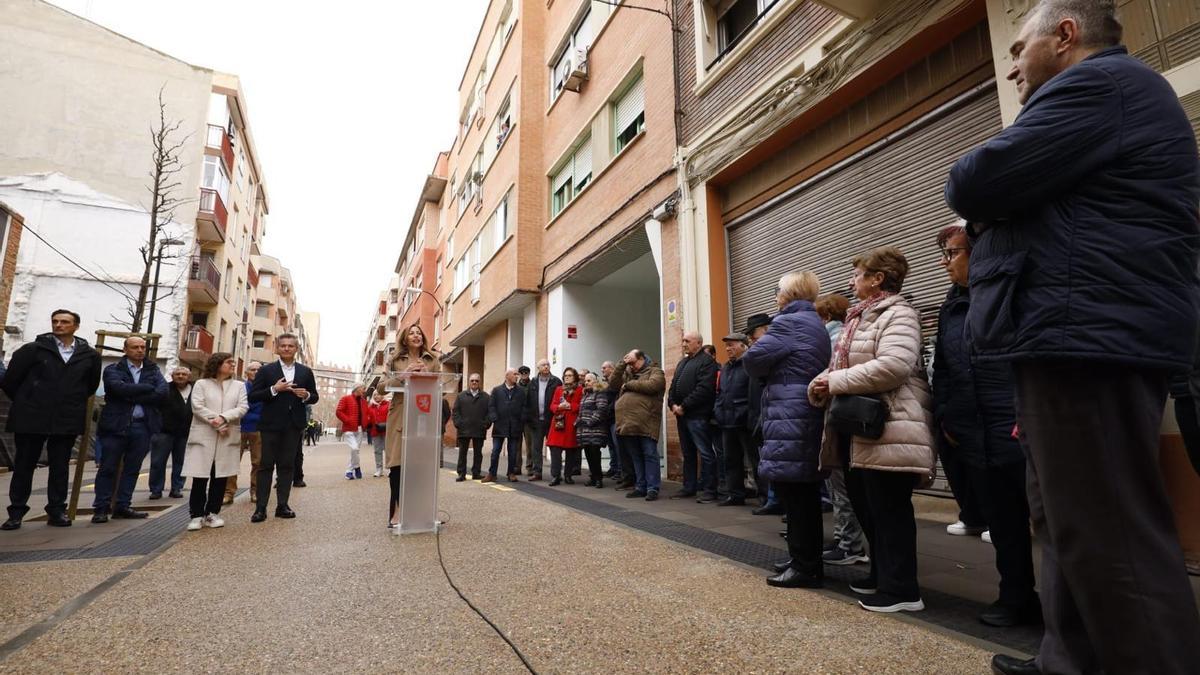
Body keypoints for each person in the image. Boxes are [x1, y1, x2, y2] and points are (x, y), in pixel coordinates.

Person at [945, 3, 1200, 672]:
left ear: (1064, 38)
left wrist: (989, 209)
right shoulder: (1106, 97)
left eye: (1019, 46)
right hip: (1072, 336)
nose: (1011, 62)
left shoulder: (1100, 86)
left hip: (1087, 340)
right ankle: (1068, 660)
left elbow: (973, 180)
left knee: (1110, 534)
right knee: (1064, 522)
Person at [809, 246, 934, 613]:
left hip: (890, 426)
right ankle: (881, 575)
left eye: (858, 274)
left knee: (890, 509)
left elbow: (893, 366)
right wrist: (820, 383)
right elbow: (839, 365)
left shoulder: (899, 314)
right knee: (869, 507)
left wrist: (833, 382)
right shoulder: (858, 318)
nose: (851, 281)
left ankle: (903, 590)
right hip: (859, 429)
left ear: (877, 278)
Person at [932, 223, 1039, 628]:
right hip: (973, 430)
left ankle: (1077, 616)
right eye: (944, 255)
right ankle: (1016, 599)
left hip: (1016, 425)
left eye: (953, 253)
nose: (946, 263)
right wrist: (947, 416)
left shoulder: (1015, 289)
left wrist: (1024, 414)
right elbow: (943, 366)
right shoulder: (951, 304)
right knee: (1004, 523)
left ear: (980, 253)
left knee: (1052, 524)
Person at [742, 273, 831, 588]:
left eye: (777, 289)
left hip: (789, 411)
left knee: (796, 495)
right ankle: (805, 559)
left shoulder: (787, 323)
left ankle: (805, 566)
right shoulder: (813, 321)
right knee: (803, 492)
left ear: (790, 292)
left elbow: (752, 360)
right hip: (804, 410)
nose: (775, 294)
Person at [2, 311, 103, 530]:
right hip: (31, 417)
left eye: (65, 322)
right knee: (24, 465)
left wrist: (69, 403)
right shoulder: (32, 350)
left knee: (60, 467)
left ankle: (57, 510)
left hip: (66, 418)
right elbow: (11, 381)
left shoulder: (89, 356)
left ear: (76, 326)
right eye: (55, 321)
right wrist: (30, 401)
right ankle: (16, 511)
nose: (59, 325)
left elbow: (90, 386)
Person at [813, 295, 868, 566]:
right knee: (840, 483)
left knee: (841, 484)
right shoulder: (843, 335)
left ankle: (849, 545)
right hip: (843, 415)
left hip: (838, 416)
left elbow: (832, 374)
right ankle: (845, 540)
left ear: (823, 317)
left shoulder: (833, 339)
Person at [91, 336, 167, 523]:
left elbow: (162, 392)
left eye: (142, 347)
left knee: (132, 469)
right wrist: (146, 389)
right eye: (135, 347)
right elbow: (117, 389)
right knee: (107, 468)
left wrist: (132, 392)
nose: (140, 350)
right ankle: (101, 507)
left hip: (142, 426)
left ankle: (122, 505)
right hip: (115, 426)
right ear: (125, 349)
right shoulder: (113, 369)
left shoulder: (153, 370)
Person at [247, 333, 318, 523]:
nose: (287, 348)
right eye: (283, 346)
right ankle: (261, 508)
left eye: (291, 346)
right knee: (265, 466)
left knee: (287, 466)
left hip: (294, 425)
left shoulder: (305, 371)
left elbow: (315, 396)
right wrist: (274, 389)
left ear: (296, 349)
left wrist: (306, 396)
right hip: (270, 424)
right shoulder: (266, 370)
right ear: (277, 348)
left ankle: (282, 506)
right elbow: (253, 396)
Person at [377, 323, 441, 526]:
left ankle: (423, 512)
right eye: (412, 333)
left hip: (424, 416)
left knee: (422, 466)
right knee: (398, 465)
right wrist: (404, 375)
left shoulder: (433, 359)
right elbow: (380, 387)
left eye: (419, 333)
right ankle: (396, 513)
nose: (416, 335)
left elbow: (441, 384)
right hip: (400, 418)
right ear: (405, 338)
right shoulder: (395, 360)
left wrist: (427, 375)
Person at [181, 353, 248, 531]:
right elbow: (197, 407)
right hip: (205, 434)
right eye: (228, 362)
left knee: (220, 477)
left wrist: (223, 418)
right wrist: (216, 422)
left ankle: (212, 513)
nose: (232, 365)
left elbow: (242, 407)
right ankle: (196, 515)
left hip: (227, 435)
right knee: (200, 477)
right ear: (217, 365)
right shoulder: (201, 384)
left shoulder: (239, 386)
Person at [667, 332, 718, 502]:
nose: (683, 344)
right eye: (682, 341)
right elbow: (673, 386)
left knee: (705, 452)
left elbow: (704, 389)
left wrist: (684, 406)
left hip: (697, 415)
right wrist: (672, 404)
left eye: (687, 341)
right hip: (682, 416)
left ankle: (710, 489)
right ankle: (689, 487)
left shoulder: (707, 362)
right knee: (688, 453)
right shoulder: (683, 362)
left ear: (698, 343)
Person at [611, 349, 666, 501]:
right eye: (630, 363)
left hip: (646, 422)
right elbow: (613, 383)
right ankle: (640, 487)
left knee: (649, 455)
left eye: (633, 362)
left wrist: (630, 384)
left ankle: (652, 488)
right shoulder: (628, 371)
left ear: (642, 358)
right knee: (635, 456)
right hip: (629, 423)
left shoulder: (655, 371)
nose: (632, 366)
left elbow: (654, 386)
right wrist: (622, 363)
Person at [742, 313, 782, 517]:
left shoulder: (772, 350)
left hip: (771, 412)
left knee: (774, 459)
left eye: (753, 333)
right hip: (757, 412)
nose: (750, 338)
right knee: (764, 459)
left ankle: (775, 499)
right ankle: (769, 497)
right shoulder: (757, 352)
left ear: (766, 329)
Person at [713, 332, 756, 507]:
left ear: (743, 345)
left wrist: (749, 413)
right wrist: (718, 411)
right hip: (727, 420)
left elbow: (754, 393)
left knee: (755, 460)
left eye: (732, 345)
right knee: (731, 460)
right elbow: (720, 393)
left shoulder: (750, 365)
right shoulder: (726, 368)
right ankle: (735, 494)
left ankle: (765, 497)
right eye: (726, 346)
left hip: (745, 420)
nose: (728, 349)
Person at [150, 366, 192, 500]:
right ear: (172, 376)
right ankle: (156, 490)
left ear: (189, 377)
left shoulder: (195, 390)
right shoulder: (165, 389)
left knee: (181, 462)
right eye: (177, 374)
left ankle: (176, 488)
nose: (180, 376)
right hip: (164, 432)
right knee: (158, 462)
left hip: (185, 433)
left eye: (184, 374)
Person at [484, 368, 527, 483]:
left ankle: (511, 473)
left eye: (517, 374)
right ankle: (492, 474)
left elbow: (524, 407)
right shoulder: (497, 390)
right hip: (499, 425)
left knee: (513, 452)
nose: (517, 376)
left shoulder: (521, 391)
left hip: (515, 426)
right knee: (495, 451)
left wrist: (521, 420)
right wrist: (494, 418)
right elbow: (491, 406)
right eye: (514, 374)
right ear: (507, 376)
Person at [546, 367, 584, 486]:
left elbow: (581, 406)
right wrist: (559, 407)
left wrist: (570, 406)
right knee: (555, 451)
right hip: (558, 424)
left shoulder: (579, 390)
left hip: (571, 425)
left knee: (571, 451)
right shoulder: (558, 389)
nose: (567, 377)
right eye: (565, 375)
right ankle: (555, 476)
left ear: (575, 377)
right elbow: (552, 405)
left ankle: (568, 475)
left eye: (570, 375)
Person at [576, 372, 613, 488]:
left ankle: (598, 478)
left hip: (595, 430)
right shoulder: (585, 395)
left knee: (595, 454)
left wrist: (590, 421)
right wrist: (577, 422)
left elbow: (602, 409)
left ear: (595, 382)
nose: (586, 383)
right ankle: (593, 477)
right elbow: (581, 412)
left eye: (589, 380)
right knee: (588, 454)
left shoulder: (600, 393)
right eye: (585, 381)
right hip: (585, 431)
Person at [527, 359, 561, 482]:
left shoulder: (556, 381)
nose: (546, 367)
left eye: (548, 365)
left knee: (554, 447)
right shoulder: (533, 382)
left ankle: (555, 474)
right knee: (536, 448)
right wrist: (529, 418)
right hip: (536, 421)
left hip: (551, 420)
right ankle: (537, 472)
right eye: (543, 365)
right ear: (538, 368)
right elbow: (528, 401)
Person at [452, 373, 490, 481]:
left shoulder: (486, 397)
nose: (474, 382)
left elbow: (490, 413)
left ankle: (476, 473)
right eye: (472, 380)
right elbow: (455, 411)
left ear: (479, 382)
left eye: (476, 381)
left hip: (479, 429)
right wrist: (458, 423)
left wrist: (486, 424)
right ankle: (461, 474)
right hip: (464, 429)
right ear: (469, 382)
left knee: (478, 453)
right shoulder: (461, 396)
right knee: (462, 453)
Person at [336, 384, 371, 480]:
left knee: (355, 451)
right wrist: (347, 420)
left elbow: (367, 413)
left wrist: (367, 421)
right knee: (355, 448)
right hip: (349, 429)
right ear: (356, 388)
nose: (364, 390)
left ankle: (351, 471)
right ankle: (355, 468)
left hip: (360, 428)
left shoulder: (364, 401)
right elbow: (339, 411)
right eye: (362, 388)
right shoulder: (345, 398)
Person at [599, 360, 622, 479]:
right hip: (607, 418)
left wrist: (609, 408)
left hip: (614, 417)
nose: (602, 370)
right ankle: (613, 467)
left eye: (604, 368)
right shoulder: (604, 383)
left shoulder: (616, 383)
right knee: (611, 445)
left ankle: (620, 469)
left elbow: (616, 398)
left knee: (617, 444)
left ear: (612, 369)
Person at [517, 366, 534, 475]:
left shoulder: (534, 385)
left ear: (529, 373)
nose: (524, 374)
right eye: (522, 372)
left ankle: (530, 467)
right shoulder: (515, 386)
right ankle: (517, 467)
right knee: (516, 445)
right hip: (518, 419)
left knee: (530, 445)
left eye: (526, 372)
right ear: (519, 374)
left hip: (529, 419)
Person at [369, 392, 389, 477]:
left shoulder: (388, 404)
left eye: (378, 394)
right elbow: (368, 418)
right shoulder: (370, 406)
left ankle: (390, 469)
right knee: (377, 451)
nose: (376, 396)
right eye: (374, 395)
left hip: (386, 430)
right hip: (375, 431)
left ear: (383, 395)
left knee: (388, 450)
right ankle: (379, 469)